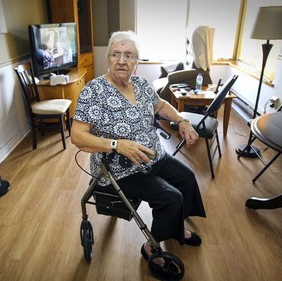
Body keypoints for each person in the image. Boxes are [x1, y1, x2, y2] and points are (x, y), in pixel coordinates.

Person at [71, 31, 206, 263]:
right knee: (170, 197)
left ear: (136, 61)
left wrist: (181, 120)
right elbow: (77, 136)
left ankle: (175, 227)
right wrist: (116, 145)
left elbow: (160, 105)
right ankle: (151, 247)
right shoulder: (93, 92)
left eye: (128, 55)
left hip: (155, 156)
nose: (122, 60)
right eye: (116, 54)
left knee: (187, 177)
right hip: (122, 169)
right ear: (108, 59)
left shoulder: (141, 84)